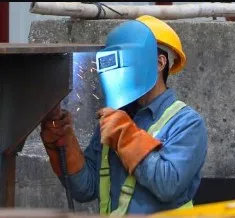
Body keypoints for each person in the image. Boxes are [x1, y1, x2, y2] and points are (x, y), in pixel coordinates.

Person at [40, 15, 208, 216]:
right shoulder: (116, 118)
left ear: (160, 62)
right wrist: (63, 143)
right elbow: (86, 188)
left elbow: (168, 185)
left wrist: (125, 137)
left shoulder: (186, 123)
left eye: (131, 57)